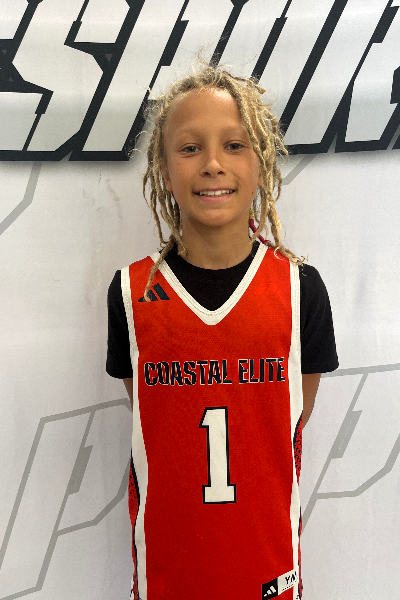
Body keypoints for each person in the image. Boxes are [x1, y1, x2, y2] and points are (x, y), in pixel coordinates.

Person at [106, 63, 338, 600]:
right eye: (190, 148)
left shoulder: (300, 290)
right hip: (169, 576)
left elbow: (290, 422)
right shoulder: (131, 293)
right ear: (164, 171)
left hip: (267, 571)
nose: (213, 164)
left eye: (235, 145)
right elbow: (155, 422)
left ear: (262, 164)